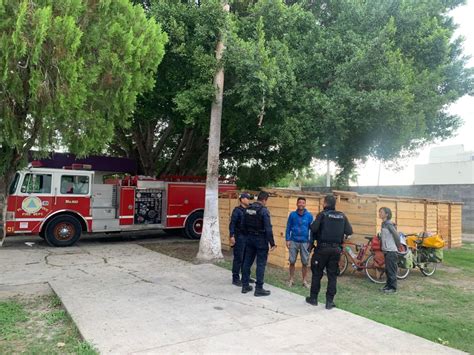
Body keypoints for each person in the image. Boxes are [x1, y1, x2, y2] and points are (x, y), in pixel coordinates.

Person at [306, 194, 352, 309]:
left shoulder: (322, 215)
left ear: (325, 203)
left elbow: (314, 229)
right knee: (332, 276)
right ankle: (329, 302)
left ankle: (313, 298)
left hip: (322, 250)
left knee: (317, 274)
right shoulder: (342, 216)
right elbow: (349, 231)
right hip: (336, 250)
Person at [241, 191, 276, 296]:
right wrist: (272, 243)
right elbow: (268, 228)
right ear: (264, 200)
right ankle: (259, 288)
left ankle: (245, 285)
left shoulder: (248, 209)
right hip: (261, 239)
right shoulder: (264, 211)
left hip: (249, 238)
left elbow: (243, 225)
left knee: (247, 262)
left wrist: (247, 235)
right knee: (260, 264)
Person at [285, 197, 313, 288]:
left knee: (305, 262)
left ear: (305, 204)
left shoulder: (309, 215)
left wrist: (310, 241)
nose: (301, 204)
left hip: (305, 242)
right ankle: (291, 279)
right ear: (297, 204)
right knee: (292, 261)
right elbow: (288, 227)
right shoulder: (292, 215)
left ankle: (304, 281)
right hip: (293, 241)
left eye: (303, 203)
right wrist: (287, 239)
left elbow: (312, 230)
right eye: (299, 202)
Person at [229, 192, 252, 286]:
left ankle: (246, 277)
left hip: (248, 237)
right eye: (247, 198)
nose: (249, 200)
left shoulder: (250, 210)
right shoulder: (237, 211)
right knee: (238, 258)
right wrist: (232, 236)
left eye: (249, 198)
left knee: (247, 258)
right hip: (239, 237)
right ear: (242, 199)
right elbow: (232, 224)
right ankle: (235, 278)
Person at [378, 207, 401, 293]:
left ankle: (393, 288)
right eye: (379, 212)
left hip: (391, 250)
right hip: (386, 250)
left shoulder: (389, 224)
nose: (379, 213)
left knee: (391, 270)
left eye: (381, 212)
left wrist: (398, 246)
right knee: (387, 270)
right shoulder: (383, 223)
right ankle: (388, 286)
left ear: (387, 214)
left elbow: (396, 236)